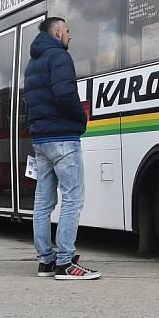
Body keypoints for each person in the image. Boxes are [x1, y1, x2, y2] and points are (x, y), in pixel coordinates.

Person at [24, 16, 101, 280]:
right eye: (68, 31)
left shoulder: (32, 63)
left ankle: (46, 260)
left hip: (41, 140)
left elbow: (30, 104)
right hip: (62, 137)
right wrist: (80, 120)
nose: (71, 36)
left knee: (43, 201)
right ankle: (66, 263)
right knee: (72, 198)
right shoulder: (59, 56)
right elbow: (65, 93)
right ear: (57, 32)